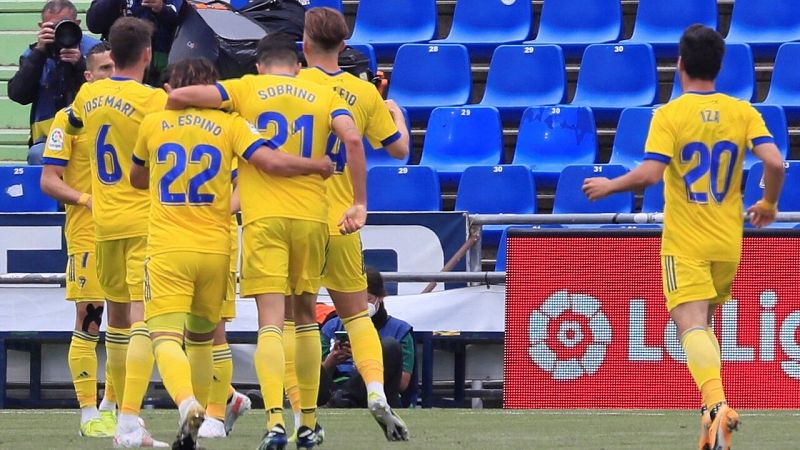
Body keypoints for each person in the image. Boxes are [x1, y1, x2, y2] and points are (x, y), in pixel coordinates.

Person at [582, 24, 785, 450]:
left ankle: (718, 407)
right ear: (721, 66)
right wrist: (768, 204)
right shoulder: (742, 111)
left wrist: (610, 186)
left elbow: (652, 174)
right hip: (729, 241)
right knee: (705, 328)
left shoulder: (670, 115)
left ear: (678, 65)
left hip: (686, 242)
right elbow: (776, 163)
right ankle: (707, 429)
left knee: (689, 325)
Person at [168, 34, 366, 450]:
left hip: (264, 219)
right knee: (307, 316)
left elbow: (189, 94)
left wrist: (175, 101)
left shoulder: (245, 88)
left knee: (271, 322)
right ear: (296, 65)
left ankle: (275, 420)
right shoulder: (320, 91)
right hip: (313, 216)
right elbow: (351, 138)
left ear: (259, 65)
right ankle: (308, 424)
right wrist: (359, 202)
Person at [129, 57, 334, 449]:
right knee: (204, 340)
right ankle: (207, 414)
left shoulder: (153, 123)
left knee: (165, 337)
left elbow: (137, 177)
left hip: (169, 246)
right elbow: (271, 161)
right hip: (216, 248)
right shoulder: (232, 125)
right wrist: (315, 165)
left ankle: (188, 402)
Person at [288, 6, 410, 443]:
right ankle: (376, 389)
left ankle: (303, 414)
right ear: (344, 44)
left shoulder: (290, 86)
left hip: (298, 216)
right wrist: (393, 110)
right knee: (357, 313)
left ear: (304, 42)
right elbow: (398, 152)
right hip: (343, 218)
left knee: (296, 319)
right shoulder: (362, 93)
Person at [67, 17, 169, 448]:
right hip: (143, 222)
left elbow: (72, 126)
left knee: (118, 325)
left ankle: (121, 418)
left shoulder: (89, 93)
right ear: (147, 54)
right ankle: (128, 422)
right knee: (143, 323)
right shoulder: (155, 100)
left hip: (103, 225)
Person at [39, 41, 117, 439]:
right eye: (103, 69)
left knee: (130, 327)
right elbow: (48, 180)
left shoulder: (132, 116)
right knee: (89, 323)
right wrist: (87, 200)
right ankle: (88, 412)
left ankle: (112, 407)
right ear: (88, 76)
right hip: (88, 236)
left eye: (114, 68)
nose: (109, 75)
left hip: (131, 235)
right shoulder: (68, 120)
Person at [8, 0, 100, 164]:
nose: (59, 32)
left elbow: (107, 90)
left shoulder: (96, 51)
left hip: (91, 134)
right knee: (38, 154)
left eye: (64, 25)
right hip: (48, 138)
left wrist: (80, 65)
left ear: (77, 24)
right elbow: (18, 95)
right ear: (41, 26)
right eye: (52, 27)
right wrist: (39, 54)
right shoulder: (33, 54)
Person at [320, 268, 415, 410]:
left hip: (377, 393)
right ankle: (342, 398)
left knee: (390, 346)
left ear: (380, 297)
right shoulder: (331, 327)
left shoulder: (400, 330)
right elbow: (315, 376)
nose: (361, 304)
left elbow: (402, 383)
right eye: (355, 298)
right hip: (333, 391)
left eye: (367, 299)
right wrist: (332, 360)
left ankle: (345, 397)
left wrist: (366, 363)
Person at [86, 0, 183, 85]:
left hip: (160, 65)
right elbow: (94, 25)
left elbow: (183, 23)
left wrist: (161, 8)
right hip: (117, 62)